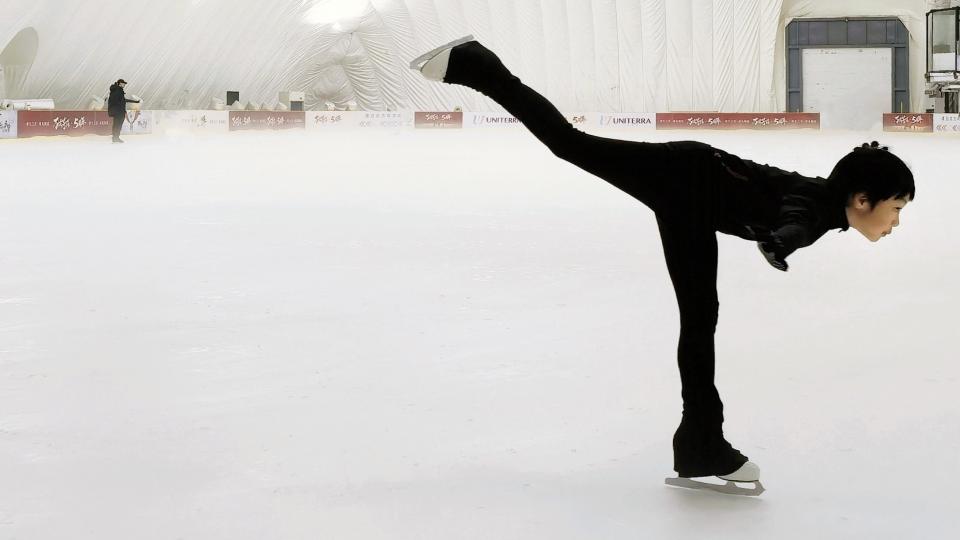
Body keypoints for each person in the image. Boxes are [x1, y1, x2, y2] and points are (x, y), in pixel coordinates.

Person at [410, 37, 915, 494]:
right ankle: (474, 64)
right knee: (571, 146)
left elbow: (793, 211)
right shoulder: (821, 208)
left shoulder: (822, 197)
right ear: (863, 199)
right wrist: (782, 243)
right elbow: (796, 219)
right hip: (686, 180)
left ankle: (700, 442)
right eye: (895, 209)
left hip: (692, 190)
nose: (894, 223)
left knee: (699, 319)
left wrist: (781, 238)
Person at [107, 79, 140, 143]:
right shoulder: (117, 90)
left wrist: (135, 101)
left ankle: (115, 138)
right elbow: (116, 101)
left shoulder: (118, 90)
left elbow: (122, 100)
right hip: (118, 111)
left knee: (117, 125)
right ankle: (115, 138)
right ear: (119, 83)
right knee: (117, 125)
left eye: (124, 84)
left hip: (118, 111)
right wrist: (120, 107)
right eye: (123, 83)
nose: (124, 85)